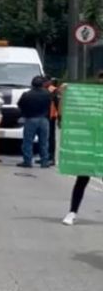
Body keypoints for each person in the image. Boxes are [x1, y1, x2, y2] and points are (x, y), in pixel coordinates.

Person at [61, 72, 103, 225]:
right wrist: (67, 90)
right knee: (82, 180)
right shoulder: (91, 96)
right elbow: (74, 110)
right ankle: (72, 212)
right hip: (89, 148)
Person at [17, 75, 51, 169]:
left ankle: (27, 161)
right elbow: (50, 105)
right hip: (44, 120)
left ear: (32, 84)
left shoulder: (27, 94)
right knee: (44, 142)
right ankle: (44, 161)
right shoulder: (47, 94)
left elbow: (20, 104)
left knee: (28, 141)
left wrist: (25, 113)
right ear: (42, 84)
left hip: (31, 119)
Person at [46, 78, 61, 166]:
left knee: (50, 138)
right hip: (49, 116)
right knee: (47, 138)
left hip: (51, 117)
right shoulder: (52, 91)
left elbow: (58, 106)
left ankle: (51, 158)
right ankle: (47, 156)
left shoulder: (53, 91)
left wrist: (59, 118)